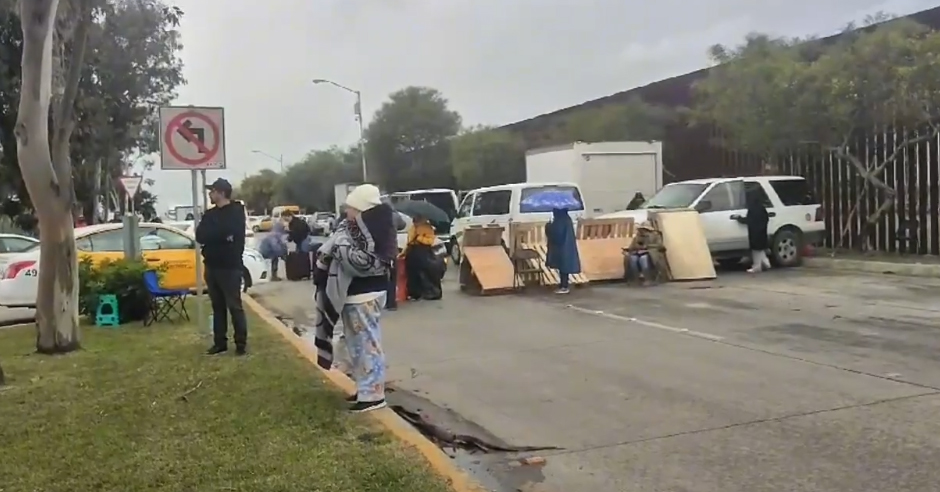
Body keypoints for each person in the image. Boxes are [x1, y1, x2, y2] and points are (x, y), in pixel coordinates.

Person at [312, 184, 396, 413]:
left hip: (365, 294)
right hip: (359, 295)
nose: (346, 212)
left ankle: (374, 395)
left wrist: (338, 245)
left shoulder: (370, 229)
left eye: (350, 207)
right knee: (358, 346)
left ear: (360, 208)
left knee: (367, 344)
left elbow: (361, 262)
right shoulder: (358, 227)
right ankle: (366, 389)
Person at [196, 178, 249, 355]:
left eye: (212, 191)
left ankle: (240, 342)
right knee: (217, 306)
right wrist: (222, 236)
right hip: (211, 265)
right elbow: (200, 235)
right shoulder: (209, 214)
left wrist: (219, 235)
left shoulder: (236, 211)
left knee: (234, 305)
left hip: (230, 266)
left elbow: (232, 232)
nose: (210, 194)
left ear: (221, 192)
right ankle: (220, 342)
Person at [404, 214, 442, 301]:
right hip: (412, 251)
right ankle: (414, 293)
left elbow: (430, 241)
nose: (415, 220)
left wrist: (420, 238)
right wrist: (404, 252)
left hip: (423, 251)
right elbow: (409, 241)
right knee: (412, 273)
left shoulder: (427, 228)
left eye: (417, 219)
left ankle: (428, 292)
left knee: (423, 272)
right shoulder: (412, 227)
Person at [545, 207, 581, 294]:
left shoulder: (559, 221)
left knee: (563, 267)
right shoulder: (567, 219)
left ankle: (564, 286)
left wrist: (548, 226)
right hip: (567, 246)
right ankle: (564, 285)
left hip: (561, 248)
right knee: (564, 267)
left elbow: (556, 234)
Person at [739, 190, 772, 273]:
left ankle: (757, 266)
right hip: (762, 232)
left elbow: (749, 220)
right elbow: (766, 219)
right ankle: (766, 263)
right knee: (760, 249)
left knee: (756, 250)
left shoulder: (752, 209)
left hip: (755, 233)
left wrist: (739, 219)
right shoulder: (761, 208)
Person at [266, 216, 288, 281]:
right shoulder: (279, 228)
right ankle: (274, 276)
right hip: (274, 248)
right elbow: (279, 242)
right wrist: (281, 252)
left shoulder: (277, 227)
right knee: (275, 260)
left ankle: (274, 275)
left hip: (273, 247)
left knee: (274, 260)